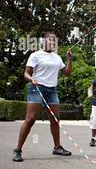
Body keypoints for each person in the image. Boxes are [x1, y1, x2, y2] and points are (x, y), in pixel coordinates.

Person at [13, 31, 73, 162]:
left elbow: (67, 73)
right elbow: (26, 74)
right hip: (37, 88)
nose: (53, 43)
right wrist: (31, 80)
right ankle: (18, 149)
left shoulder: (57, 58)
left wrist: (69, 59)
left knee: (55, 119)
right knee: (30, 119)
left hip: (52, 91)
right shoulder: (35, 55)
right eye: (50, 40)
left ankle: (57, 148)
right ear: (44, 41)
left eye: (54, 41)